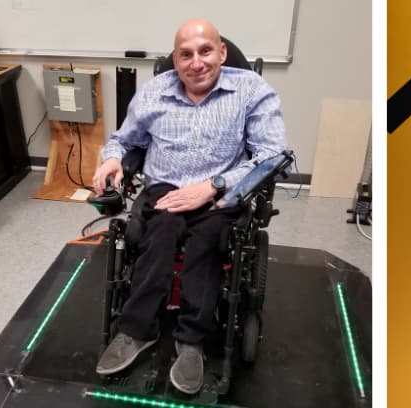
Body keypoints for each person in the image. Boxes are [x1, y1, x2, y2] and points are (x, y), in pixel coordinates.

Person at [89, 18, 286, 394]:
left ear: (222, 53)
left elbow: (272, 154)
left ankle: (192, 340)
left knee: (209, 239)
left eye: (205, 51)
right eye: (186, 55)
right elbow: (123, 138)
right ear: (174, 60)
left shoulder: (251, 90)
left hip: (220, 190)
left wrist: (213, 185)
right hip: (166, 186)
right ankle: (136, 331)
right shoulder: (154, 92)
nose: (196, 62)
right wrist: (113, 157)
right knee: (160, 230)